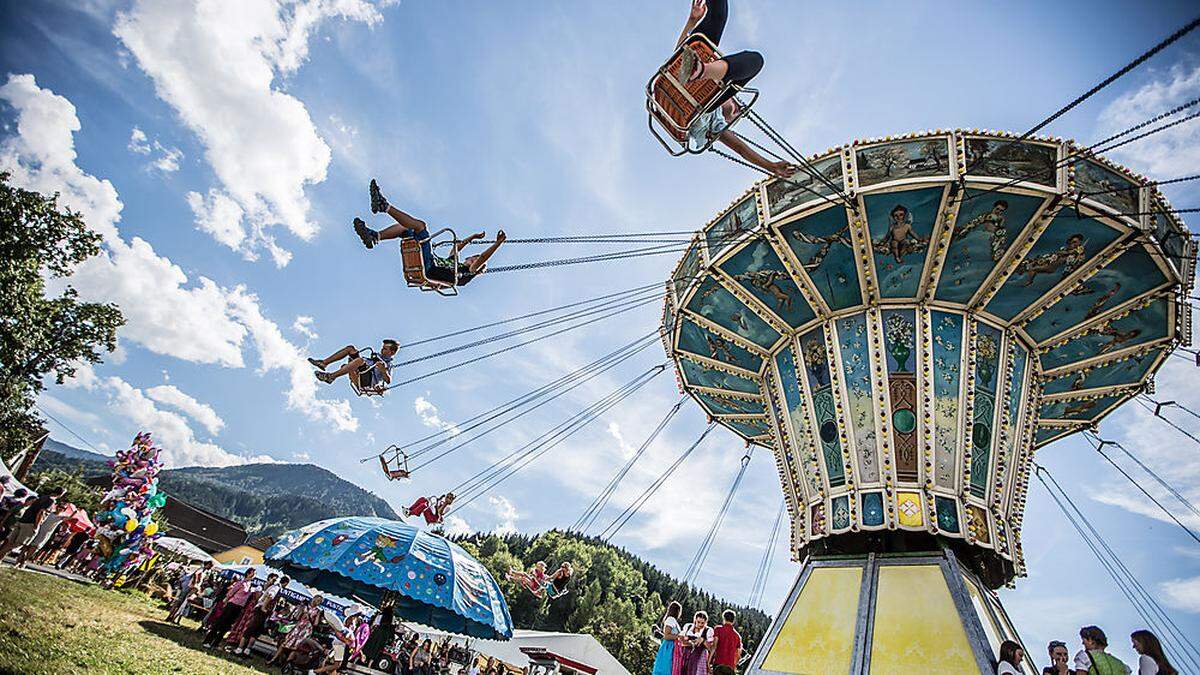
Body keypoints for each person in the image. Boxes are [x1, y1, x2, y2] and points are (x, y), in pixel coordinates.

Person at [669, 0, 795, 178]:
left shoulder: (713, 124)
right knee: (719, 17)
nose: (735, 110)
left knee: (754, 60)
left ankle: (701, 71)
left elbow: (740, 149)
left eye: (735, 112)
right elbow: (676, 60)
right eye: (737, 108)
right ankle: (701, 70)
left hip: (694, 102)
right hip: (692, 81)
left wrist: (771, 166)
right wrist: (693, 20)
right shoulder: (714, 103)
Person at [355, 179, 507, 288]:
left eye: (474, 259)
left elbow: (482, 258)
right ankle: (375, 237)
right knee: (405, 229)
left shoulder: (467, 273)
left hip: (429, 268)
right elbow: (457, 248)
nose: (473, 258)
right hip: (428, 263)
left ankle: (384, 206)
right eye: (473, 257)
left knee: (421, 226)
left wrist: (498, 243)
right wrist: (473, 237)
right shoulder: (455, 264)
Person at [227, 572, 288, 656]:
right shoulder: (276, 588)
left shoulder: (275, 587)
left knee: (256, 631)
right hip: (261, 610)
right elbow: (270, 596)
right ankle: (240, 649)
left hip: (264, 611)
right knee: (251, 629)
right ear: (286, 583)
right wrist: (264, 607)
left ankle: (246, 650)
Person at [0, 486, 63, 566]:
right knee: (19, 543)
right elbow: (41, 512)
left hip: (23, 520)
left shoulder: (42, 496)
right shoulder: (51, 500)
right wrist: (36, 525)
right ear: (61, 494)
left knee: (10, 542)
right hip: (31, 523)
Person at [310, 339, 400, 389]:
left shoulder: (388, 364)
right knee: (350, 349)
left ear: (392, 352)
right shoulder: (377, 356)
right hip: (361, 370)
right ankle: (324, 363)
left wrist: (383, 371)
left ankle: (330, 377)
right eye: (382, 347)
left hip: (366, 380)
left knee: (359, 361)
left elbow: (388, 381)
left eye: (385, 349)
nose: (382, 349)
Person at [203, 567, 256, 647]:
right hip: (232, 604)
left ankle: (216, 643)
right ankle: (207, 641)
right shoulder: (241, 582)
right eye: (253, 573)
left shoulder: (250, 585)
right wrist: (225, 601)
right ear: (248, 573)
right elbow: (231, 592)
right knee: (220, 622)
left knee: (227, 626)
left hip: (239, 607)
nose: (254, 575)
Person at [270, 594, 326, 666]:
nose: (317, 602)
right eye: (317, 600)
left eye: (319, 602)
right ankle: (274, 659)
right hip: (298, 627)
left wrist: (318, 615)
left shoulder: (318, 611)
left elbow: (315, 624)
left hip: (306, 630)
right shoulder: (304, 607)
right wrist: (301, 610)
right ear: (313, 598)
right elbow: (296, 617)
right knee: (285, 643)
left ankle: (286, 664)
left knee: (296, 647)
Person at [679, 610, 716, 675]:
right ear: (695, 620)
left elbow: (711, 648)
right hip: (684, 655)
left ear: (706, 622)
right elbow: (680, 641)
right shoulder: (688, 627)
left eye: (702, 623)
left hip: (699, 658)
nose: (700, 624)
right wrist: (687, 640)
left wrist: (703, 640)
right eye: (698, 622)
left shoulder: (708, 630)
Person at [362, 602, 396, 669]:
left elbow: (375, 624)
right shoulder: (392, 618)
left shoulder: (380, 616)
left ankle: (359, 659)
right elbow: (392, 627)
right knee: (377, 649)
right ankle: (369, 664)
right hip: (384, 635)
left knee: (369, 646)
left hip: (377, 632)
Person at [652, 601, 683, 675]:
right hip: (668, 647)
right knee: (665, 669)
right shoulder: (671, 619)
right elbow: (666, 636)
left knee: (668, 669)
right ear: (678, 611)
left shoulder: (673, 620)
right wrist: (679, 636)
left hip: (671, 647)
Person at [711, 609, 742, 675]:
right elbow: (738, 655)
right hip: (730, 667)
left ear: (723, 619)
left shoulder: (718, 629)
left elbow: (714, 647)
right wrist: (734, 666)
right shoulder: (737, 636)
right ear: (733, 621)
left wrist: (708, 661)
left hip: (718, 663)